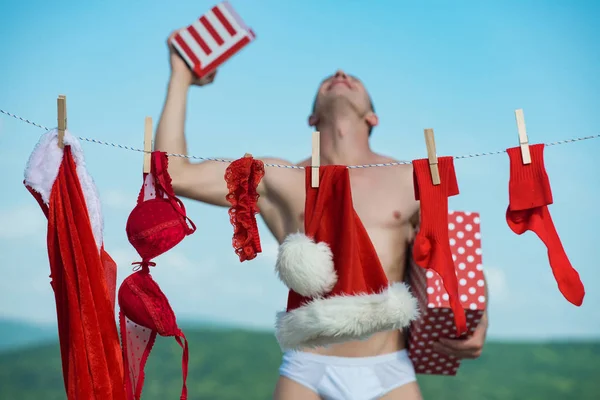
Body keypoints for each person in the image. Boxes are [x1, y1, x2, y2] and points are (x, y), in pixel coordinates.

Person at [154, 32, 489, 400]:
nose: (341, 72)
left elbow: (454, 259)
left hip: (388, 369)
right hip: (307, 368)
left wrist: (479, 316)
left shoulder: (411, 178)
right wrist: (180, 77)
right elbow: (176, 175)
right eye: (328, 79)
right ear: (312, 116)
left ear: (372, 116)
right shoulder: (280, 178)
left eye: (354, 79)